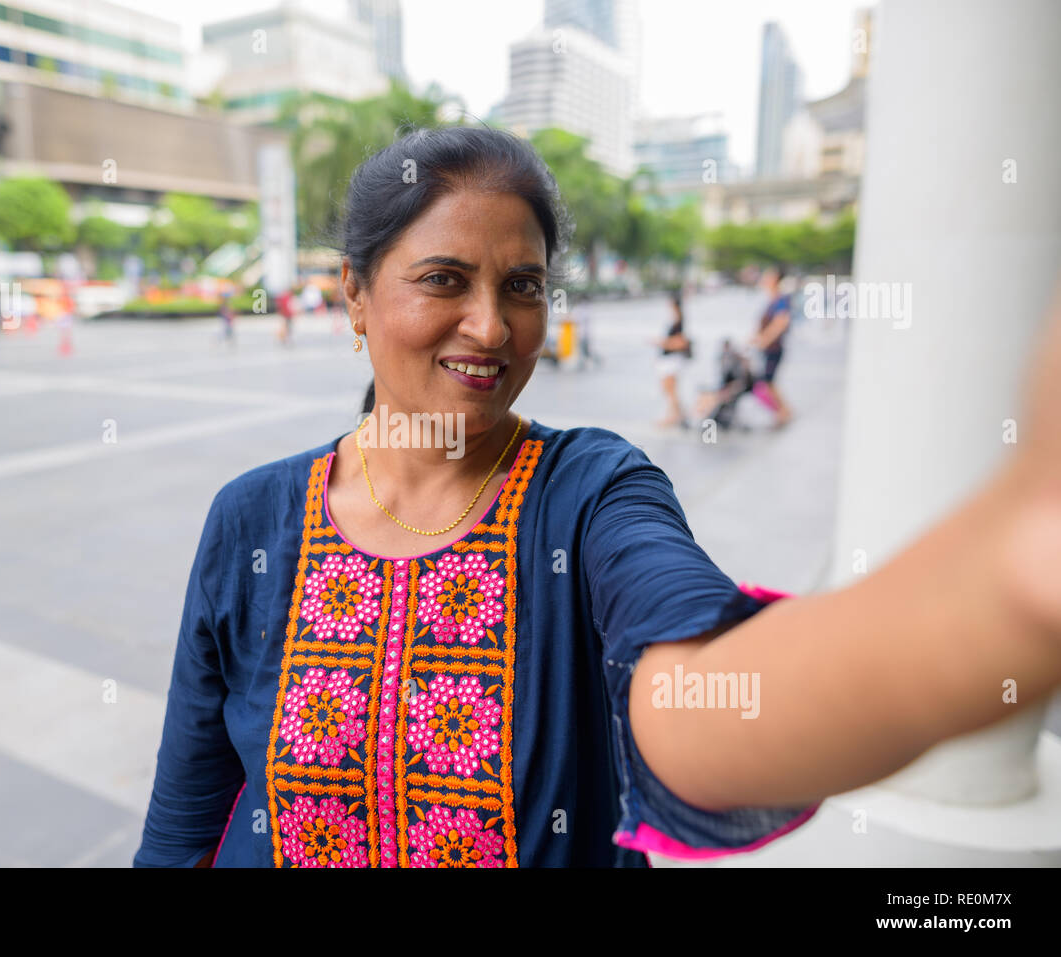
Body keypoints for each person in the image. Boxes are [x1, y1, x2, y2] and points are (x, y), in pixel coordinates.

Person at [134, 126, 1061, 868]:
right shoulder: (251, 518)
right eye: (444, 280)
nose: (493, 327)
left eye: (524, 286)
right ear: (355, 295)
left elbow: (697, 705)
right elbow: (185, 819)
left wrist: (1012, 585)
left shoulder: (590, 494)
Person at [752, 264, 794, 426]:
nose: (764, 279)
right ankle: (784, 411)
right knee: (769, 382)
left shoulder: (781, 300)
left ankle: (783, 411)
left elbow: (781, 322)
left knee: (767, 382)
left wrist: (764, 339)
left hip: (773, 348)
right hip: (768, 347)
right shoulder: (772, 299)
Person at [653, 290, 692, 427]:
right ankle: (679, 416)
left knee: (671, 390)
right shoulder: (676, 319)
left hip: (672, 360)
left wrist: (661, 342)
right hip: (669, 360)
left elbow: (681, 342)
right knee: (669, 390)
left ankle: (675, 417)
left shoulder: (679, 321)